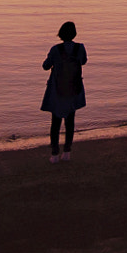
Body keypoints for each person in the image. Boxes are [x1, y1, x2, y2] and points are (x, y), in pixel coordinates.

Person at [41, 21, 87, 162]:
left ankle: (55, 154)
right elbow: (83, 61)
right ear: (74, 34)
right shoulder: (80, 48)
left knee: (55, 123)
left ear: (60, 34)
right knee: (70, 121)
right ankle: (67, 151)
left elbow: (45, 66)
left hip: (57, 90)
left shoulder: (55, 49)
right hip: (73, 88)